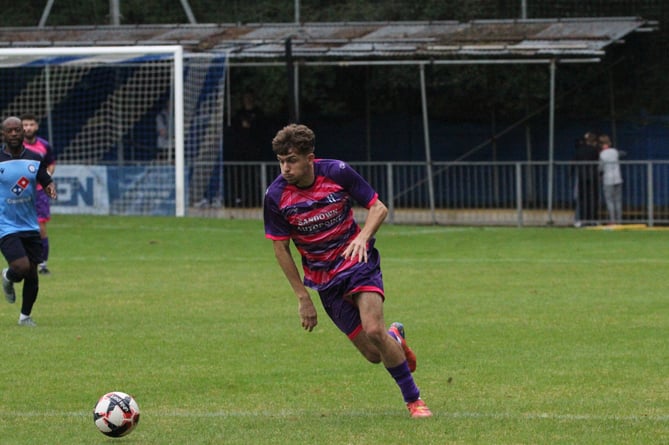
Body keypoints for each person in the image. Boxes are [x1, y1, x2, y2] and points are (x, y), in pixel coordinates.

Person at [263, 124, 432, 418]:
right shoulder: (276, 196)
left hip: (357, 263)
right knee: (373, 354)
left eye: (291, 160)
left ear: (310, 158)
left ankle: (414, 400)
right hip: (324, 279)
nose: (285, 168)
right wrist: (303, 297)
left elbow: (378, 208)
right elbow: (281, 248)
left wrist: (362, 237)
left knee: (373, 329)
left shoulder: (337, 172)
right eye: (280, 161)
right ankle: (396, 337)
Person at [0, 116, 58, 326]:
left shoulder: (34, 157)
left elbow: (45, 178)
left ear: (23, 133)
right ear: (3, 134)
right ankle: (8, 276)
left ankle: (25, 316)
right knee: (21, 267)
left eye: (17, 130)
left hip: (30, 224)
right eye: (10, 131)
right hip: (5, 225)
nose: (14, 133)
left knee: (33, 273)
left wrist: (50, 186)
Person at [21, 114, 56, 274]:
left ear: (36, 126)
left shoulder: (44, 146)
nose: (28, 128)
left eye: (31, 124)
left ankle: (42, 264)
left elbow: (50, 164)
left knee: (41, 227)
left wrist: (45, 180)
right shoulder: (16, 146)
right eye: (25, 125)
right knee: (19, 227)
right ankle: (21, 260)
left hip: (39, 193)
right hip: (20, 193)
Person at [573, 131, 600, 226]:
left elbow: (574, 162)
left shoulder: (579, 150)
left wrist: (571, 174)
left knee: (583, 199)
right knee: (593, 199)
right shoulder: (595, 150)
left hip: (582, 176)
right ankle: (592, 219)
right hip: (593, 176)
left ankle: (583, 219)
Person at [598, 134, 624, 224]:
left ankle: (612, 220)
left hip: (608, 179)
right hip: (618, 178)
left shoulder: (602, 154)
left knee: (610, 201)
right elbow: (623, 153)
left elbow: (600, 168)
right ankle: (619, 220)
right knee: (618, 200)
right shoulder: (615, 151)